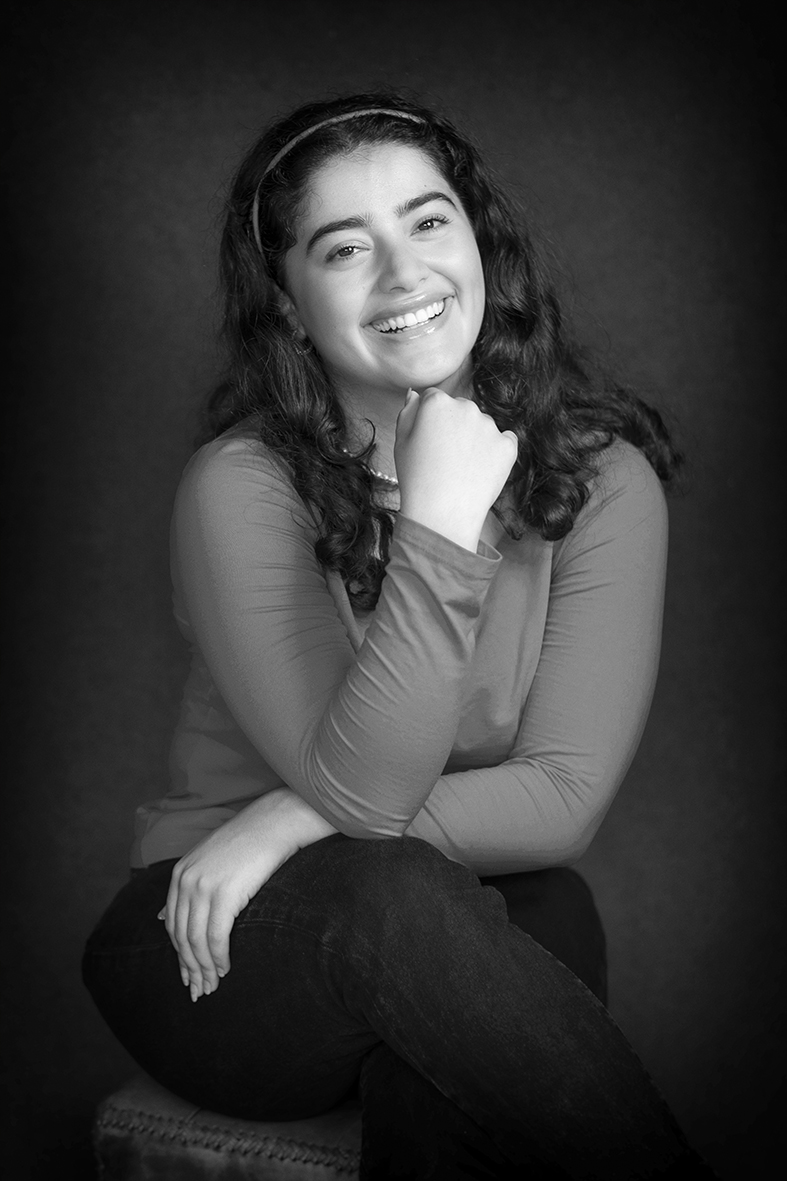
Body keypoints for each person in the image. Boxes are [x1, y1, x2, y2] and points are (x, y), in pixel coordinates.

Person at [83, 93, 712, 1178]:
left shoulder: (602, 480)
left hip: (417, 915)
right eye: (343, 248)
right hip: (218, 939)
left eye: (427, 222)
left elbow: (561, 798)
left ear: (479, 243)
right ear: (288, 306)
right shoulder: (241, 487)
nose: (403, 271)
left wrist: (287, 816)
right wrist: (440, 524)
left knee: (548, 913)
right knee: (393, 891)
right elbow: (369, 800)